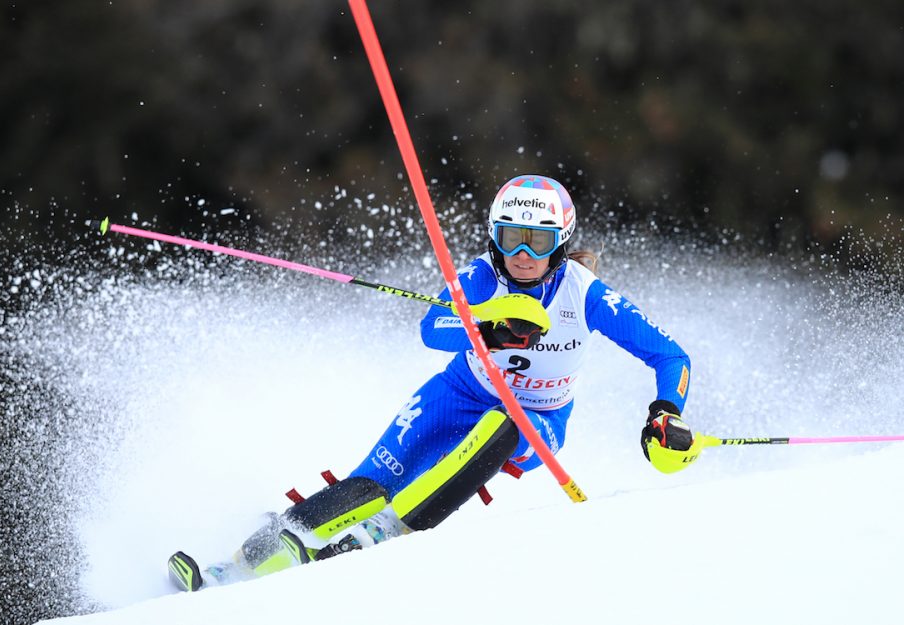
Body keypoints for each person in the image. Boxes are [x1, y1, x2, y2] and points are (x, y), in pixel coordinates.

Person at [168, 174, 703, 592]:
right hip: (456, 394)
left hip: (535, 418)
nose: (522, 254)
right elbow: (434, 327)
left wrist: (665, 411)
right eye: (510, 238)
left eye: (537, 243)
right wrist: (488, 325)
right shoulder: (481, 276)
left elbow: (668, 354)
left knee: (502, 425)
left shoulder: (584, 293)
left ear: (560, 244)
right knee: (367, 484)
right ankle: (235, 565)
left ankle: (381, 534)